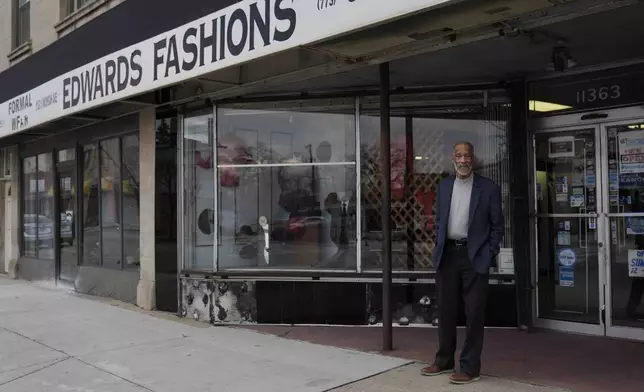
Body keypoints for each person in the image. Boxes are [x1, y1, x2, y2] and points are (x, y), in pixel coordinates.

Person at [421, 141, 504, 385]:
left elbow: (497, 226)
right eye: (459, 155)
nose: (463, 160)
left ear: (473, 158)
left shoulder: (488, 188)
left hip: (475, 255)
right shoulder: (444, 186)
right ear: (453, 158)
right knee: (445, 310)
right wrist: (438, 245)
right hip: (448, 254)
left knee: (474, 312)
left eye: (467, 155)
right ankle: (444, 359)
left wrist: (490, 252)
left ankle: (470, 367)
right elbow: (439, 220)